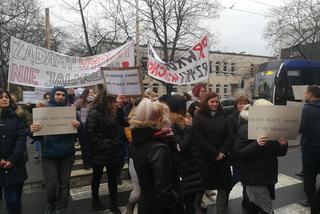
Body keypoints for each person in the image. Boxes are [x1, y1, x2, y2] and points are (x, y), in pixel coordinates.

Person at [30, 86, 80, 214]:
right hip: (49, 155)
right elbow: (34, 134)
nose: (60, 97)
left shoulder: (71, 112)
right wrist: (31, 130)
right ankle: (50, 204)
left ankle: (61, 207)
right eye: (57, 94)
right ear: (53, 95)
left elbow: (81, 133)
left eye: (63, 95)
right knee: (51, 185)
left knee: (64, 183)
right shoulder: (43, 111)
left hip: (67, 154)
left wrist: (78, 126)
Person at [233, 99, 288, 214]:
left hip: (268, 175)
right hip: (253, 176)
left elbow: (280, 152)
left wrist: (283, 144)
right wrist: (256, 144)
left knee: (255, 205)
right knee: (266, 208)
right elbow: (239, 152)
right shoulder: (246, 128)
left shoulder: (272, 127)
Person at [130, 98, 184, 214]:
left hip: (146, 204)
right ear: (160, 119)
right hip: (162, 208)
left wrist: (171, 142)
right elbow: (164, 192)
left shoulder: (139, 139)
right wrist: (177, 203)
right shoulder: (159, 148)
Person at [86, 89, 127, 213]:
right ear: (105, 100)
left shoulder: (113, 112)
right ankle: (96, 200)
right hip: (99, 152)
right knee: (97, 177)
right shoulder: (94, 113)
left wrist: (120, 108)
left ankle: (114, 204)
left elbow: (121, 122)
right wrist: (104, 145)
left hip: (112, 152)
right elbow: (90, 133)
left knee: (112, 179)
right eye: (112, 101)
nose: (114, 103)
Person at [192, 92, 232, 214]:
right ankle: (196, 206)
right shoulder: (199, 116)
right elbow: (199, 138)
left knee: (223, 187)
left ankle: (220, 211)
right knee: (202, 185)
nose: (215, 104)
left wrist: (223, 152)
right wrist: (215, 153)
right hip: (206, 157)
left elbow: (230, 135)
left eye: (216, 102)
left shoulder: (224, 115)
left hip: (222, 157)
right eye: (212, 102)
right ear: (206, 102)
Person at [166, 95, 203, 214]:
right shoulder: (171, 123)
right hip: (184, 169)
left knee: (189, 201)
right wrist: (188, 129)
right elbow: (180, 147)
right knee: (186, 203)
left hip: (192, 168)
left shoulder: (185, 119)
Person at [0, 89, 27, 214]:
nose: (4, 99)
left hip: (16, 166)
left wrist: (12, 160)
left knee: (15, 198)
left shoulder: (17, 117)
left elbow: (21, 139)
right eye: (1, 97)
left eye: (6, 97)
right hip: (1, 166)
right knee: (11, 199)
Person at [227, 95, 251, 207]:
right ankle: (226, 192)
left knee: (247, 178)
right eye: (240, 103)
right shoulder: (231, 118)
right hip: (236, 152)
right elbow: (231, 135)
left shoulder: (252, 116)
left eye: (244, 103)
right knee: (237, 176)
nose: (242, 105)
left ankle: (246, 199)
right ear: (236, 105)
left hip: (248, 151)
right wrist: (243, 139)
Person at [299, 85, 320, 207]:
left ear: (311, 94)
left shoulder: (307, 109)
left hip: (310, 148)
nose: (305, 95)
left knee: (309, 177)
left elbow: (302, 128)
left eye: (306, 93)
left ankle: (312, 202)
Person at [73, 88, 95, 169]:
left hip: (93, 127)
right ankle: (86, 163)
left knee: (92, 146)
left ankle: (93, 162)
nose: (91, 94)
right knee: (85, 146)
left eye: (92, 92)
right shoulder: (80, 101)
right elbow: (73, 110)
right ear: (86, 93)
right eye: (90, 92)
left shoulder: (95, 102)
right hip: (83, 128)